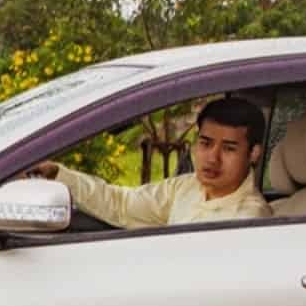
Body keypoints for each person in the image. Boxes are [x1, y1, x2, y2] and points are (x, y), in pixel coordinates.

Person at [28, 96, 273, 229]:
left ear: (253, 153)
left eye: (229, 148)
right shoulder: (187, 187)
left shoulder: (248, 219)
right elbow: (122, 204)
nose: (212, 158)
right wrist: (58, 175)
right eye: (206, 143)